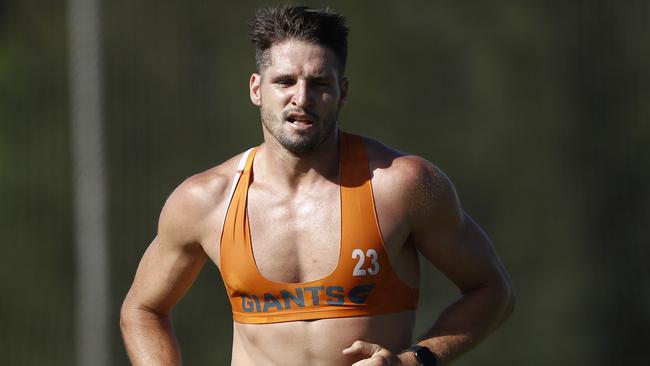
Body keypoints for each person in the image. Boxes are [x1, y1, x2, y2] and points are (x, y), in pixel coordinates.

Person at [120, 5, 514, 366]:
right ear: (257, 89)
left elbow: (492, 291)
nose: (301, 98)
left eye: (320, 83)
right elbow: (142, 311)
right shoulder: (206, 201)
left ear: (342, 92)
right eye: (285, 81)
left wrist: (414, 362)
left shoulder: (401, 184)